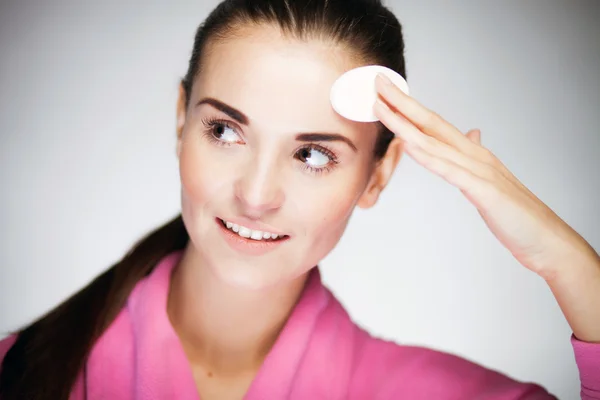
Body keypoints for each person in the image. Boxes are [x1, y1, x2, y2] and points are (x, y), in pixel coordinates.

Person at [1, 0, 599, 399]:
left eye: (314, 153)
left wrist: (569, 263)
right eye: (225, 131)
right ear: (182, 119)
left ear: (376, 175)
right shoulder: (22, 369)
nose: (256, 195)